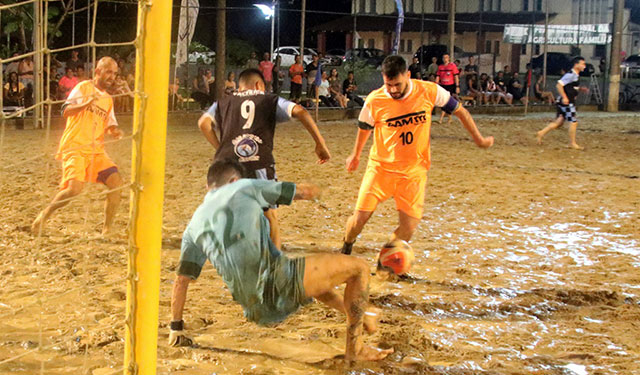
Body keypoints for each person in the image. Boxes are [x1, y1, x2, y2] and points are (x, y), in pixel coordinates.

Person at [168, 159, 393, 361]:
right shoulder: (243, 187)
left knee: (310, 278)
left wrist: (176, 328)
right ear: (234, 180)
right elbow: (304, 192)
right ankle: (357, 348)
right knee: (359, 269)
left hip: (255, 309)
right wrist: (323, 187)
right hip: (277, 283)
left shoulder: (193, 226)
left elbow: (181, 281)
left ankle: (366, 315)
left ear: (208, 186)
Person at [340, 56, 493, 255]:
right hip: (380, 169)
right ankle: (347, 244)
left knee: (408, 228)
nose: (393, 90)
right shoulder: (375, 99)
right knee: (358, 221)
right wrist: (356, 154)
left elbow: (460, 111)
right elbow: (364, 128)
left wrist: (479, 139)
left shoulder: (429, 91)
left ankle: (386, 263)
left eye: (397, 84)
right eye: (388, 85)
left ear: (408, 75)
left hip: (414, 172)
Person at [197, 68, 331, 249]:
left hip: (226, 163)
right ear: (259, 84)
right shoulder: (269, 99)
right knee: (269, 216)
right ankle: (273, 262)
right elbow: (300, 111)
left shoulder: (223, 102)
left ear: (240, 85)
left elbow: (203, 124)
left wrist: (220, 148)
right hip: (258, 161)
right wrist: (320, 143)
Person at [31, 57, 124, 236]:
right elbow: (65, 110)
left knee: (116, 183)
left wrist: (115, 131)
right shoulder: (83, 87)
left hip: (96, 150)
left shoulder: (108, 99)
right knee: (74, 189)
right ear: (97, 71)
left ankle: (107, 230)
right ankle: (43, 216)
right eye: (108, 72)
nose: (112, 76)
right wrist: (85, 104)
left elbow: (110, 123)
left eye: (114, 73)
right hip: (75, 146)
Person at [536, 56, 589, 150]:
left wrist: (580, 89)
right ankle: (572, 143)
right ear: (576, 64)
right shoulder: (571, 74)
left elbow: (569, 87)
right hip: (567, 101)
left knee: (559, 122)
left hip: (565, 100)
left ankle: (541, 133)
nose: (584, 66)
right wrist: (565, 97)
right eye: (583, 64)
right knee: (573, 122)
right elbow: (559, 85)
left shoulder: (575, 75)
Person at [435, 53, 460, 123]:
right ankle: (448, 117)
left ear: (449, 58)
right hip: (443, 85)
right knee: (443, 101)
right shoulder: (440, 67)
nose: (445, 59)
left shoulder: (452, 66)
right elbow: (438, 76)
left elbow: (456, 77)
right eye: (444, 57)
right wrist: (436, 84)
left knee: (447, 101)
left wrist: (457, 86)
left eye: (446, 57)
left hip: (450, 85)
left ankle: (441, 118)